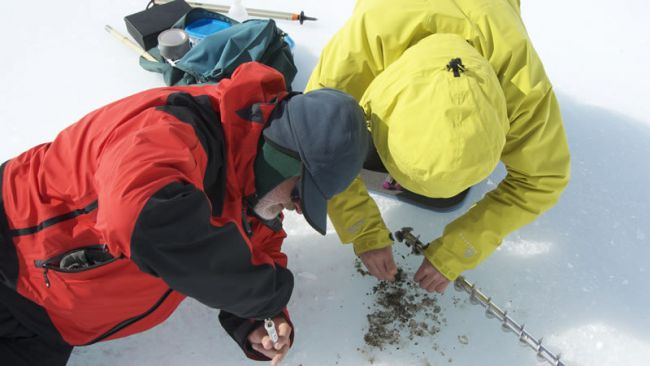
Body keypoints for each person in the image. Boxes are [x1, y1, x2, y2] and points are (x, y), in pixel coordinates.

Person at [0, 61, 369, 365]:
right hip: (11, 259)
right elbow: (144, 218)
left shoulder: (251, 184)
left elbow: (259, 249)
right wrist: (262, 293)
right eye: (299, 195)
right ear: (280, 159)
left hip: (50, 326)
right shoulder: (172, 127)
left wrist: (261, 318)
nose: (294, 208)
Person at [306, 0, 570, 292]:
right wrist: (362, 228)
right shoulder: (356, 52)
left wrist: (459, 249)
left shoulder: (522, 87)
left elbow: (543, 179)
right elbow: (314, 144)